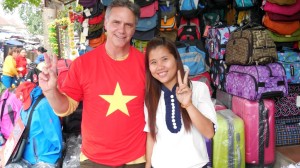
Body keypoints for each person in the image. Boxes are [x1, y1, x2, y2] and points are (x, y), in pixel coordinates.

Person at [39, 0, 146, 167]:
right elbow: (65, 108)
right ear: (106, 23)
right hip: (94, 160)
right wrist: (51, 91)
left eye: (128, 25)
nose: (121, 30)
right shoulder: (83, 64)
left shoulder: (145, 64)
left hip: (137, 158)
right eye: (116, 22)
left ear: (134, 28)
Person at [144, 37, 217, 168]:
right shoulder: (150, 97)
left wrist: (188, 104)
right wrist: (148, 164)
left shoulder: (199, 88)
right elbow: (151, 134)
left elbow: (209, 132)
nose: (159, 67)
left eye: (165, 59)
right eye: (153, 62)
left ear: (176, 60)